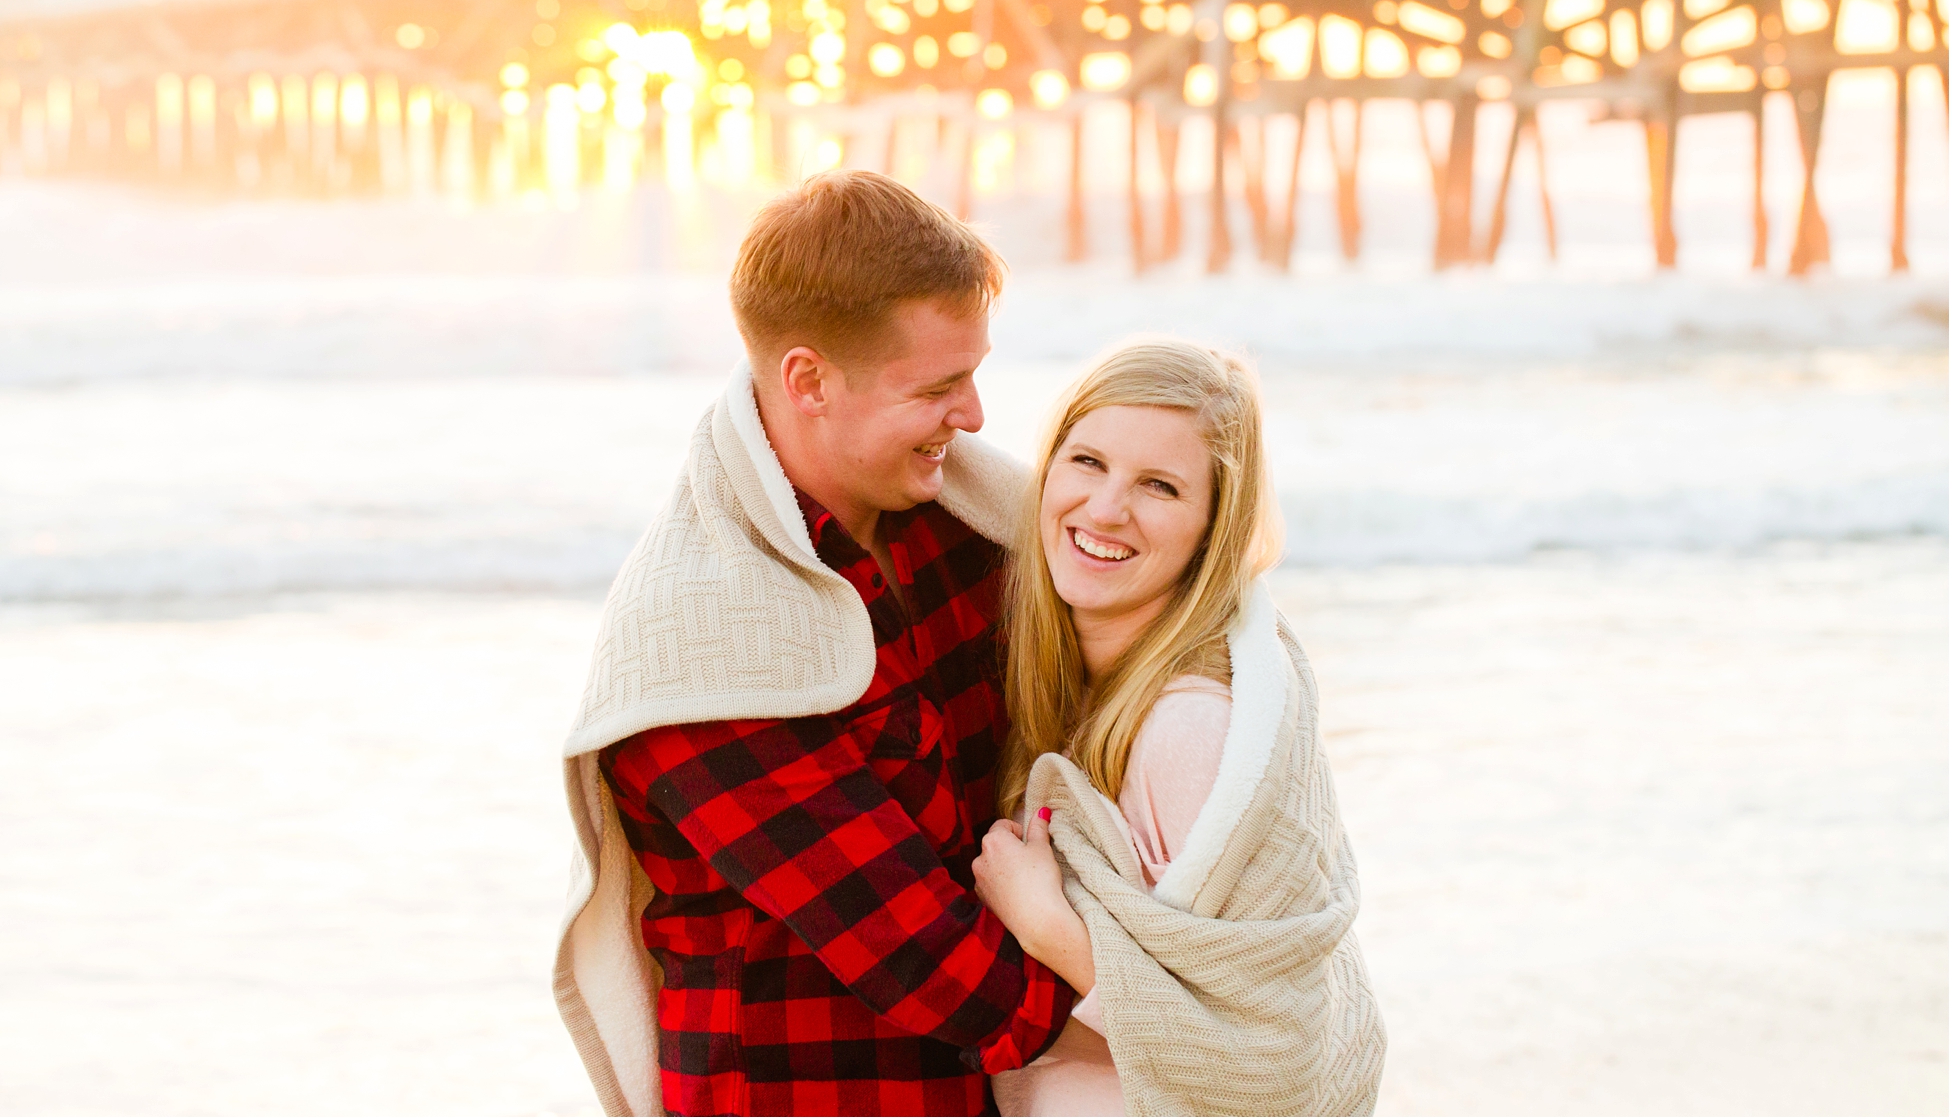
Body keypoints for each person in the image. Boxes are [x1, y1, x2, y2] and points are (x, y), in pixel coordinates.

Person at [554, 174, 1075, 1115]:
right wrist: (1206, 1020)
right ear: (808, 380)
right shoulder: (706, 644)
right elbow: (942, 970)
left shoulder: (964, 527)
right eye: (938, 385)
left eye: (975, 371)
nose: (976, 415)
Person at [971, 342, 1386, 1118]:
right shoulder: (1072, 682)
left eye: (1158, 486)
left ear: (1210, 527)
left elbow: (1263, 1049)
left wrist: (1048, 926)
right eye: (1087, 460)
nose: (1104, 507)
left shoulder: (1188, 731)